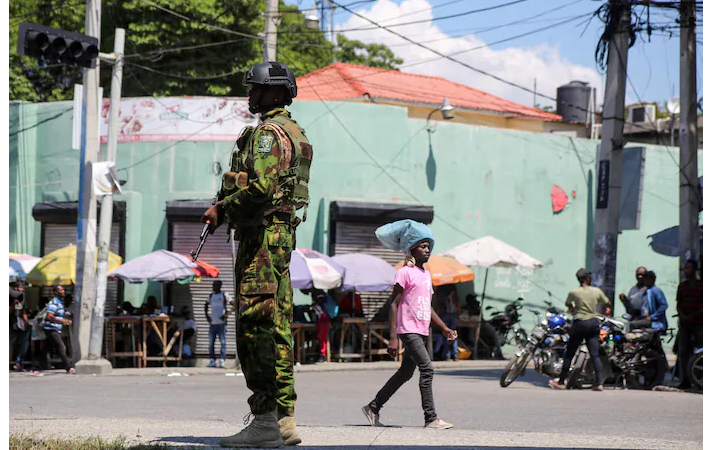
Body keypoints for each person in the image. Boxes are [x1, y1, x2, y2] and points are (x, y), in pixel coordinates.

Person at [201, 61, 310, 448]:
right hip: (279, 237)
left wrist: (223, 208)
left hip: (261, 239)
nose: (251, 96)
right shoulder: (294, 132)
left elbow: (261, 187)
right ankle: (284, 419)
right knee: (277, 325)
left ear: (277, 94)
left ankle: (264, 420)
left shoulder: (267, 133)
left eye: (257, 90)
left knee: (255, 326)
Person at [362, 229, 456, 430]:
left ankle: (373, 407)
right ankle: (430, 418)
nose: (427, 250)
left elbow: (427, 306)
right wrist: (393, 337)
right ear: (412, 250)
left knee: (405, 373)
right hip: (408, 329)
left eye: (428, 246)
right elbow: (394, 304)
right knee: (427, 368)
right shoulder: (404, 272)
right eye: (423, 246)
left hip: (422, 330)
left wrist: (444, 327)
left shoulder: (426, 275)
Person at [549, 269, 610, 391]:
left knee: (569, 354)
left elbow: (568, 304)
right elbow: (607, 302)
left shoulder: (574, 292)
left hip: (579, 323)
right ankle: (599, 383)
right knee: (595, 355)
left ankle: (561, 382)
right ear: (588, 278)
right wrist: (607, 310)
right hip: (593, 323)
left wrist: (573, 308)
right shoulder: (596, 291)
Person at [676, 259, 703, 389]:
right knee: (683, 352)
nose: (685, 271)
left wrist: (694, 315)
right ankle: (685, 380)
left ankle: (699, 378)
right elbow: (678, 304)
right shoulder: (682, 286)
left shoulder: (701, 286)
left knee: (700, 353)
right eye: (684, 268)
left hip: (698, 324)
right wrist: (683, 315)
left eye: (688, 268)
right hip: (685, 324)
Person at [42, 286, 75, 374]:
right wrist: (62, 320)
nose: (63, 291)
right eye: (60, 290)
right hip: (51, 328)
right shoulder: (54, 302)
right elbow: (49, 316)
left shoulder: (59, 303)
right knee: (61, 347)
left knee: (46, 349)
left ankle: (38, 366)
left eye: (63, 290)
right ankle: (68, 367)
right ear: (55, 292)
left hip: (55, 328)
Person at [204, 280, 232, 368]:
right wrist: (207, 316)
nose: (213, 287)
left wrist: (226, 315)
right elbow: (205, 305)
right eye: (213, 285)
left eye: (215, 285)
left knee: (223, 342)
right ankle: (212, 361)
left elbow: (234, 305)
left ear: (219, 286)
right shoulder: (211, 296)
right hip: (213, 323)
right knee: (211, 343)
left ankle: (222, 360)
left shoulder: (224, 295)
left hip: (222, 324)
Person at [10, 281, 30, 372]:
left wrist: (27, 323)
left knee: (25, 345)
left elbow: (24, 312)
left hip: (20, 326)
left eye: (23, 288)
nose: (22, 290)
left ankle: (19, 364)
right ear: (15, 288)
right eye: (20, 288)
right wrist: (13, 305)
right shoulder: (9, 297)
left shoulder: (22, 298)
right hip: (10, 324)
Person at [435, 284, 460, 361]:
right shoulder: (453, 287)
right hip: (453, 313)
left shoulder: (440, 288)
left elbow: (439, 303)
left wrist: (437, 316)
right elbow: (457, 301)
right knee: (453, 334)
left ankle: (447, 355)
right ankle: (455, 354)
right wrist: (458, 313)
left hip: (444, 314)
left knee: (445, 335)